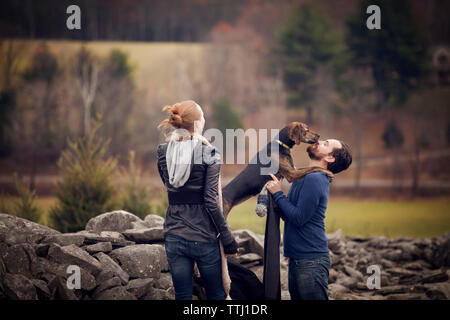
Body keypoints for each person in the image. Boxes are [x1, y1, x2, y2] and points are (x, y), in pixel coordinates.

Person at [156, 100, 238, 300]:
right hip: (203, 238)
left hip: (174, 234)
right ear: (198, 124)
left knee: (182, 296)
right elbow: (210, 201)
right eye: (202, 117)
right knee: (216, 295)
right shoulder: (210, 153)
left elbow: (170, 188)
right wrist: (227, 238)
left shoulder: (163, 152)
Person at [266, 139, 352, 300]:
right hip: (298, 260)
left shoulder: (316, 179)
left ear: (330, 158)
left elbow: (298, 218)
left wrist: (278, 194)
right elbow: (289, 216)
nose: (319, 141)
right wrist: (276, 196)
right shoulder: (306, 176)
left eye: (326, 144)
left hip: (311, 261)